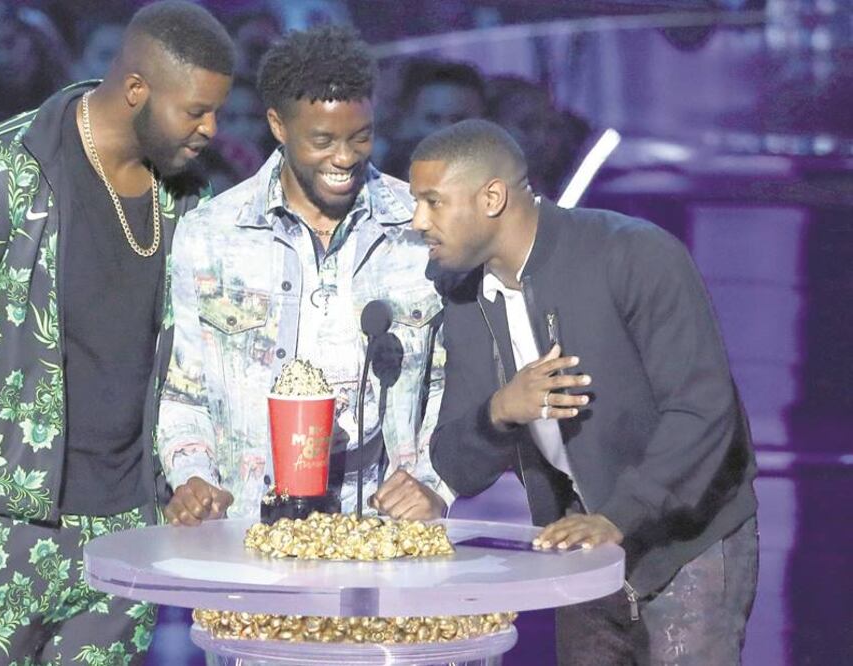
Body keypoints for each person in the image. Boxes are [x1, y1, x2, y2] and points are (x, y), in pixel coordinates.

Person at [0, 2, 234, 663]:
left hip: (124, 538)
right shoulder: (7, 167)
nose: (211, 129)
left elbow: (194, 355)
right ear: (137, 89)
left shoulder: (186, 196)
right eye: (195, 111)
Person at [410, 119, 758, 664]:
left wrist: (619, 515)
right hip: (579, 545)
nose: (418, 221)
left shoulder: (633, 254)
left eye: (432, 202)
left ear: (492, 196)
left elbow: (703, 410)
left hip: (688, 541)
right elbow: (459, 465)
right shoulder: (466, 298)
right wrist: (500, 411)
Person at [158, 26, 451, 526]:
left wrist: (433, 483)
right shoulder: (211, 233)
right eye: (323, 140)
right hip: (252, 529)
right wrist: (192, 476)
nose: (344, 157)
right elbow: (185, 389)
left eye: (361, 137)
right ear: (278, 125)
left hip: (387, 532)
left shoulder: (420, 227)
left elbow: (453, 384)